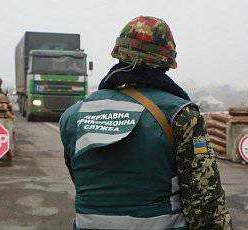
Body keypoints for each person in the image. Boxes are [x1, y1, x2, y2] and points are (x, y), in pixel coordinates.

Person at [59, 16, 232, 230]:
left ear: (119, 51)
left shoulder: (73, 115)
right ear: (166, 59)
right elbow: (204, 199)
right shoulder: (182, 114)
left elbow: (80, 178)